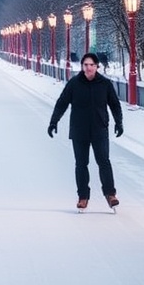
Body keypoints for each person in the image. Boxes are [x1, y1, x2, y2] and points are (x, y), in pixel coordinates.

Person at [47, 52, 124, 212]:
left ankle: (111, 195)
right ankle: (83, 197)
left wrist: (119, 122)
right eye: (86, 65)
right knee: (81, 164)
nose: (88, 68)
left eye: (91, 65)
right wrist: (54, 121)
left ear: (97, 67)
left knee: (104, 162)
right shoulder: (74, 83)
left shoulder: (105, 84)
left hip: (99, 129)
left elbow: (115, 105)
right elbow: (62, 103)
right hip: (79, 130)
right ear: (82, 66)